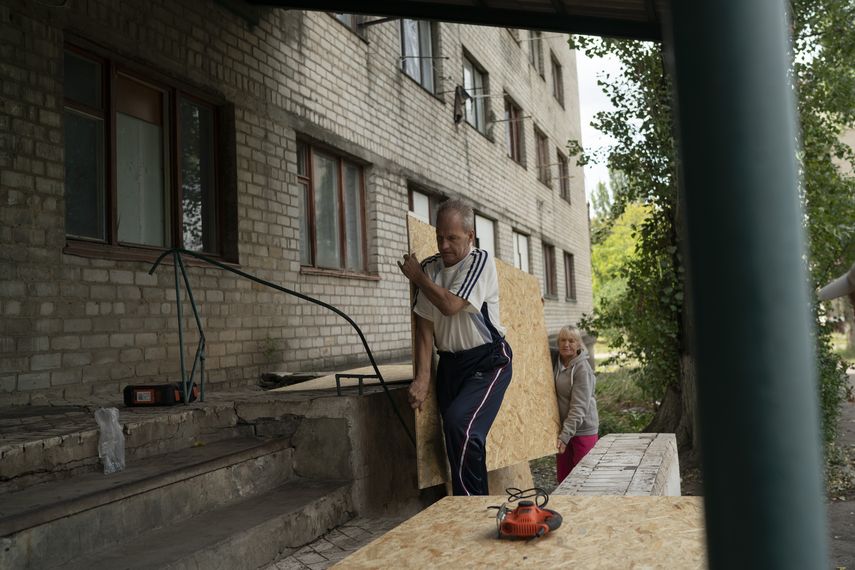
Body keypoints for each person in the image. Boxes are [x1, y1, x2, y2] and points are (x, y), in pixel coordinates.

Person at [398, 199, 513, 496]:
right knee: (459, 441)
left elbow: (450, 305)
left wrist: (418, 278)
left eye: (452, 238)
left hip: (488, 361)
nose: (444, 245)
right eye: (439, 237)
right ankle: (472, 506)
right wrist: (423, 378)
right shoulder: (429, 268)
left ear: (470, 236)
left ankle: (471, 507)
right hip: (450, 365)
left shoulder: (479, 262)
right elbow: (424, 326)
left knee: (460, 425)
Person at [553, 325, 599, 483]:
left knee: (582, 480)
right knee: (564, 480)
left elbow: (579, 408)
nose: (566, 344)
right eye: (563, 340)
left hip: (583, 430)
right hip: (564, 430)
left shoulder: (582, 370)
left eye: (571, 341)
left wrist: (565, 436)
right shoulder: (556, 362)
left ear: (579, 344)